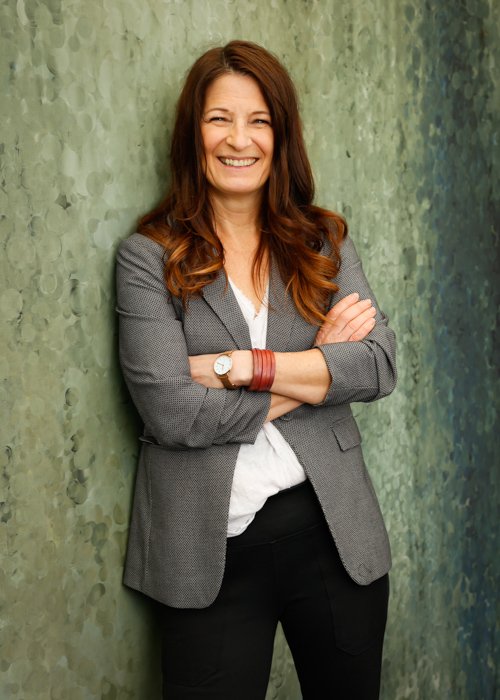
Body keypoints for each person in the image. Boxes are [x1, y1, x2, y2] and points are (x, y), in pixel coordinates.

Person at [116, 40, 397, 700]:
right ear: (193, 134)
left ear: (281, 135)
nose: (238, 139)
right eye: (219, 119)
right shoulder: (147, 258)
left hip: (332, 532)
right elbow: (173, 413)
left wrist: (241, 366)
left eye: (258, 120)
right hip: (206, 547)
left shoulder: (322, 241)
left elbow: (378, 365)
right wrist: (315, 369)